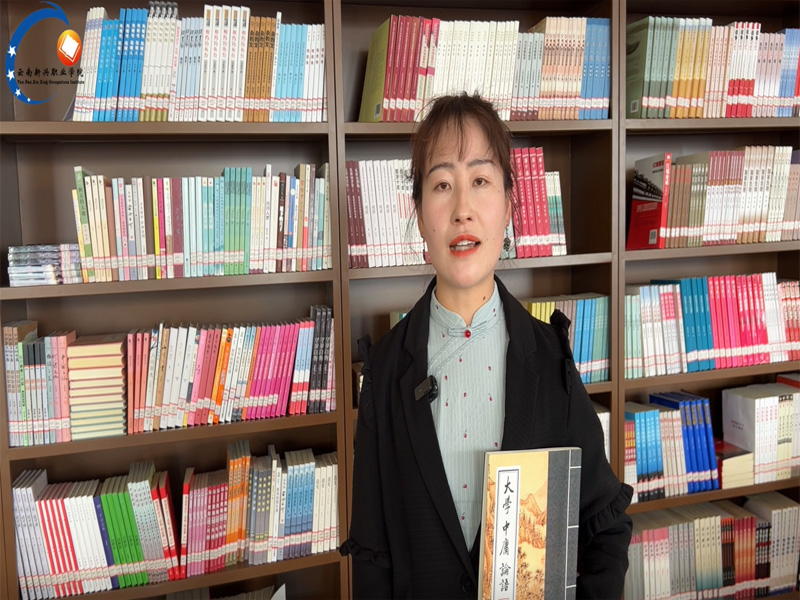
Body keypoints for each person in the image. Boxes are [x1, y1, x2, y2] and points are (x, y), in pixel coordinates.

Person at [340, 93, 633, 599]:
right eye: (442, 185)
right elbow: (371, 555)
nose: (462, 210)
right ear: (419, 213)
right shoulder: (384, 371)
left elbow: (603, 523)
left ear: (509, 205)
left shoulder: (551, 359)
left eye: (480, 180)